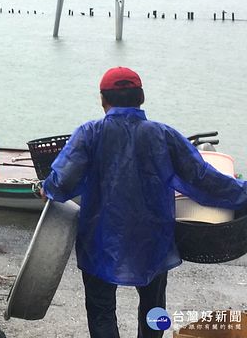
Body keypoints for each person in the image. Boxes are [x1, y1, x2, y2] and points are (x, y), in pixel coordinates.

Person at [40, 66, 247, 338]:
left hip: (100, 238)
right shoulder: (164, 135)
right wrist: (243, 192)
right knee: (154, 306)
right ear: (142, 98)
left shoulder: (89, 133)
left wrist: (45, 188)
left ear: (103, 100)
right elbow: (203, 178)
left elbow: (62, 182)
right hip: (153, 238)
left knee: (101, 309)